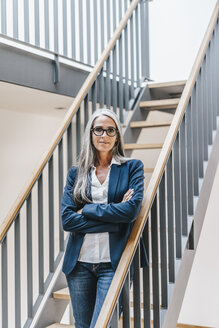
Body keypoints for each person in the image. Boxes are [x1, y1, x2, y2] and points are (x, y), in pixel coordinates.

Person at [61, 108, 145, 328]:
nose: (104, 135)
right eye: (99, 129)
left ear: (117, 136)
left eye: (110, 130)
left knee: (103, 324)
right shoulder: (76, 172)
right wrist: (114, 215)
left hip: (112, 263)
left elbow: (130, 212)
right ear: (91, 133)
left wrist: (87, 210)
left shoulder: (132, 168)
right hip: (79, 264)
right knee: (82, 325)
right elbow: (67, 220)